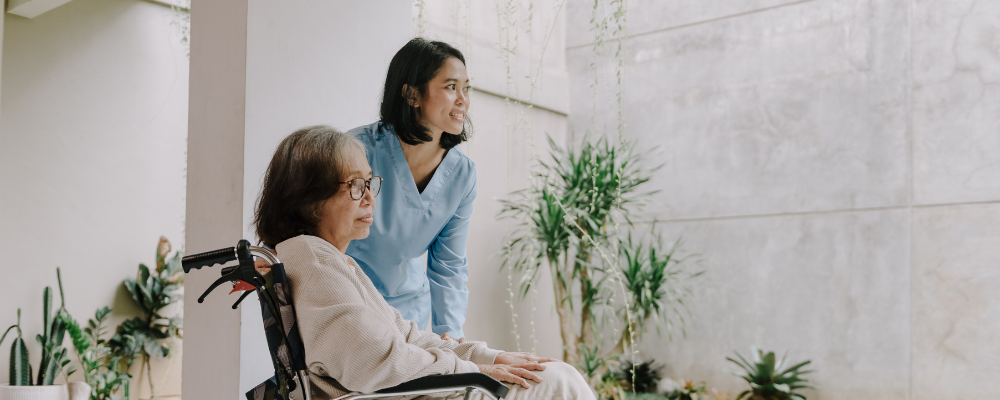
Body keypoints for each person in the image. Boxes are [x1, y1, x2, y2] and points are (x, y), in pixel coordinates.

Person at [251, 125, 595, 400]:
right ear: (310, 197)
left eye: (370, 182)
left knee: (555, 375)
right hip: (413, 394)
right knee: (559, 382)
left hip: (419, 389)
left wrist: (484, 357)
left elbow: (404, 335)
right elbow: (376, 362)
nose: (370, 197)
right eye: (356, 185)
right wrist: (471, 371)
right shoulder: (315, 261)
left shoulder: (325, 260)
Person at [346, 38, 477, 340]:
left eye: (466, 88)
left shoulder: (462, 174)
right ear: (412, 94)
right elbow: (316, 231)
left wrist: (451, 337)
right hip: (351, 305)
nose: (463, 99)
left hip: (409, 318)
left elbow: (449, 264)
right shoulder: (356, 150)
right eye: (450, 87)